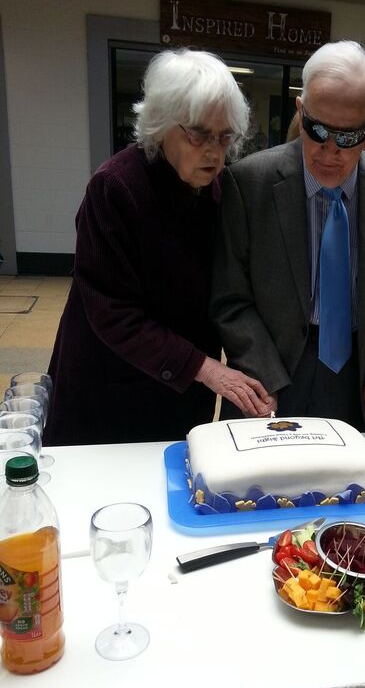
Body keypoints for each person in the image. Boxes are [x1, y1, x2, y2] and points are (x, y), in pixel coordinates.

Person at [44, 49, 271, 446]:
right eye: (198, 133)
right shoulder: (116, 187)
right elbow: (112, 313)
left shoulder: (217, 189)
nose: (214, 152)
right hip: (109, 387)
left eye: (224, 137)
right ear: (162, 123)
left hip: (182, 389)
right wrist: (205, 368)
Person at [211, 40, 365, 429]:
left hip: (352, 376)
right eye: (317, 129)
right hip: (267, 371)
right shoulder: (248, 182)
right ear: (300, 112)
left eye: (349, 137)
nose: (329, 150)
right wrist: (263, 375)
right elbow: (230, 298)